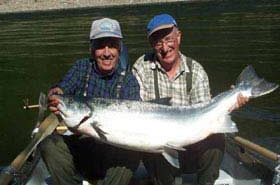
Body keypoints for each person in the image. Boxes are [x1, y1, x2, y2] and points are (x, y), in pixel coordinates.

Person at [132, 13, 249, 185]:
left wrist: (231, 103)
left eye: (169, 39)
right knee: (151, 144)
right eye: (158, 42)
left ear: (178, 37)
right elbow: (136, 112)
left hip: (192, 146)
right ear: (152, 44)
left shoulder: (196, 71)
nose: (165, 47)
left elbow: (207, 115)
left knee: (217, 138)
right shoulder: (141, 68)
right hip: (160, 151)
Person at [39, 18, 140, 185]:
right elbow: (63, 88)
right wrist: (56, 93)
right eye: (100, 46)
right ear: (91, 49)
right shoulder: (81, 68)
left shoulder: (129, 81)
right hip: (81, 147)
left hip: (112, 152)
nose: (107, 53)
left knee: (133, 153)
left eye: (112, 45)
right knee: (49, 145)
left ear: (120, 49)